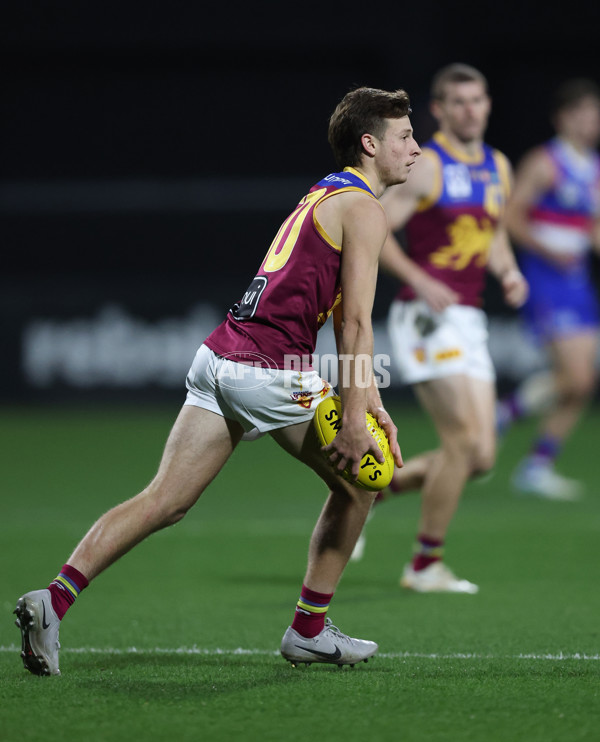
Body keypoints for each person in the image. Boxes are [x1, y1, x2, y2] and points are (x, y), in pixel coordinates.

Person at [14, 86, 417, 676]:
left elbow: (332, 313)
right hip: (268, 369)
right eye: (405, 136)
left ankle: (53, 601)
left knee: (165, 500)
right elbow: (355, 319)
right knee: (364, 480)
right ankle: (308, 630)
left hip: (219, 357)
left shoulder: (325, 194)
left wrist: (370, 399)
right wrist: (353, 419)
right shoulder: (365, 210)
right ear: (369, 143)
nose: (416, 147)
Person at [350, 63, 528, 593]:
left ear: (488, 103)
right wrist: (419, 279)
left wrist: (509, 269)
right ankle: (424, 566)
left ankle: (368, 491)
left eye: (478, 99)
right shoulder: (427, 166)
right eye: (459, 101)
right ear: (440, 110)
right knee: (463, 441)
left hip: (467, 317)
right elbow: (373, 225)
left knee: (481, 456)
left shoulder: (498, 165)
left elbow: (491, 232)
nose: (470, 109)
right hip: (425, 317)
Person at [496, 79, 600, 500]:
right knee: (575, 375)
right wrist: (546, 249)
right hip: (546, 279)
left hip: (576, 281)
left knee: (582, 383)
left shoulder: (593, 167)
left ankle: (533, 460)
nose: (590, 122)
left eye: (594, 115)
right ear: (563, 118)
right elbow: (510, 217)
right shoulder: (545, 162)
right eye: (582, 114)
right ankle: (506, 420)